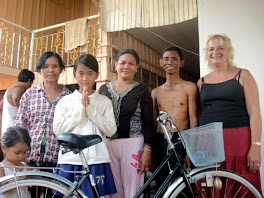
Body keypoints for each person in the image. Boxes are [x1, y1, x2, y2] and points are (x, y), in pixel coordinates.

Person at [197, 34, 262, 194]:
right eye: (211, 49)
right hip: (209, 139)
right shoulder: (201, 82)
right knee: (211, 185)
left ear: (229, 52)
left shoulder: (243, 75)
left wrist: (256, 146)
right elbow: (201, 113)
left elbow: (255, 112)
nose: (215, 52)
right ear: (207, 53)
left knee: (242, 184)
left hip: (238, 137)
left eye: (221, 48)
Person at [53, 54, 117, 197]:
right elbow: (58, 130)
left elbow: (111, 130)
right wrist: (81, 109)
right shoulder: (65, 101)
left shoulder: (104, 101)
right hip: (70, 158)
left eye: (90, 73)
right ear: (74, 74)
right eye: (81, 73)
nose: (85, 78)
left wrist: (90, 109)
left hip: (97, 158)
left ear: (97, 75)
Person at [98, 49, 154, 198]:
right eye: (122, 63)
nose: (126, 67)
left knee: (133, 191)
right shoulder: (103, 90)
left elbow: (149, 122)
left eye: (131, 64)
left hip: (133, 144)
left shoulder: (142, 91)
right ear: (115, 65)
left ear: (136, 67)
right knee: (112, 190)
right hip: (108, 145)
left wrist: (147, 150)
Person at [151, 46, 198, 189]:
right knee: (163, 183)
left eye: (174, 59)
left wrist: (192, 149)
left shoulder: (189, 87)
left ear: (181, 63)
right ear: (161, 62)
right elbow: (153, 122)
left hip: (181, 139)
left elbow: (193, 118)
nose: (169, 62)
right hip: (161, 140)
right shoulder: (156, 92)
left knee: (181, 183)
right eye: (166, 59)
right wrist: (150, 149)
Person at [15, 51, 72, 168]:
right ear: (40, 70)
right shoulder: (30, 94)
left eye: (55, 66)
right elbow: (20, 126)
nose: (50, 70)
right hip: (29, 158)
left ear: (61, 69)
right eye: (46, 67)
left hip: (58, 159)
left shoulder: (69, 97)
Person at [1, 69, 35, 136]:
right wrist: (21, 112)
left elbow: (1, 105)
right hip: (14, 131)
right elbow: (15, 97)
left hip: (6, 129)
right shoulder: (20, 88)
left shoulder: (9, 90)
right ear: (29, 81)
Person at [0, 126, 31, 198]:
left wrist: (34, 174)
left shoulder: (24, 166)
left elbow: (32, 183)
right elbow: (3, 188)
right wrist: (17, 179)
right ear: (4, 148)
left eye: (24, 152)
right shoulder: (2, 167)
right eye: (17, 153)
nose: (21, 156)